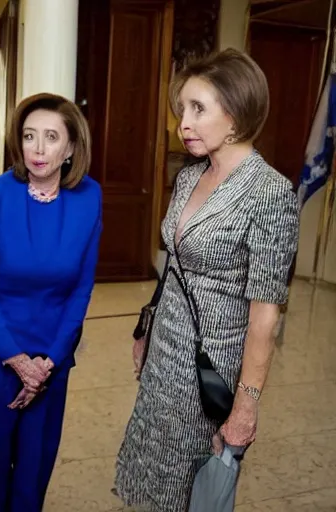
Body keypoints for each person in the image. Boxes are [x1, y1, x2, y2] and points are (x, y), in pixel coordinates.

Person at [114, 49, 300, 510]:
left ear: (235, 116)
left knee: (188, 490)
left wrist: (246, 405)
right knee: (151, 477)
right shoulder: (190, 175)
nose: (184, 123)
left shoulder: (269, 192)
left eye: (199, 109)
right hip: (165, 354)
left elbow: (265, 315)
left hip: (208, 371)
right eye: (183, 110)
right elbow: (174, 267)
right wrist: (147, 329)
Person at [0, 92, 102, 511]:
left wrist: (50, 361)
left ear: (71, 147)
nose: (38, 149)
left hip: (52, 351)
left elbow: (81, 287)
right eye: (29, 136)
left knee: (36, 468)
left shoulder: (88, 196)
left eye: (52, 137)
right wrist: (17, 360)